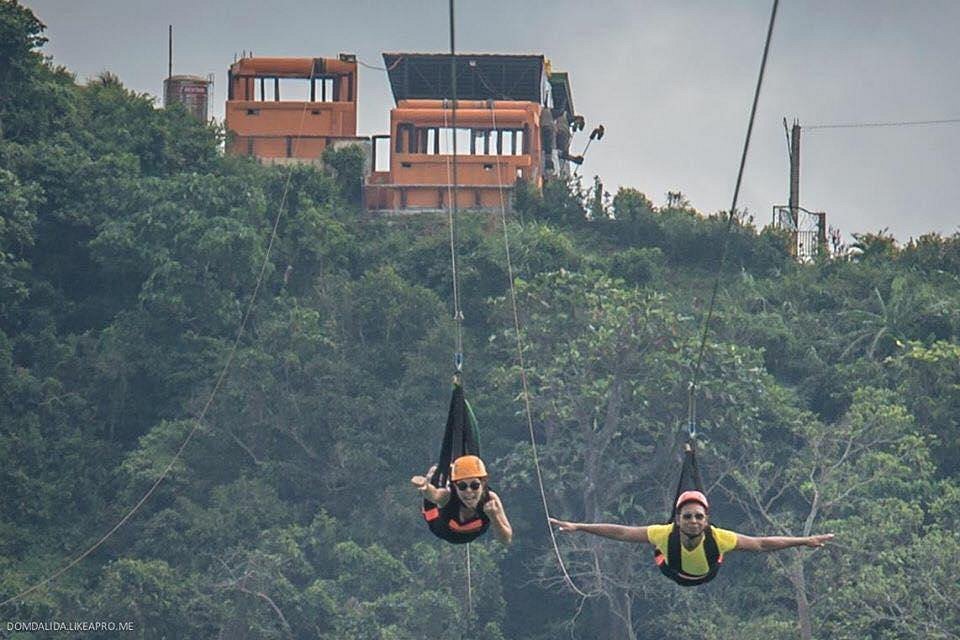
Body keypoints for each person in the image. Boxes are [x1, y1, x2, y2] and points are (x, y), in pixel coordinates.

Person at [549, 490, 833, 584]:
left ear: (706, 519)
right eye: (688, 516)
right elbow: (621, 532)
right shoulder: (664, 532)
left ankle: (713, 557)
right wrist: (579, 526)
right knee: (655, 546)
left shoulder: (718, 537)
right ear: (677, 519)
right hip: (672, 570)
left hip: (708, 572)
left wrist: (803, 541)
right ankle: (661, 552)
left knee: (721, 550)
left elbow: (760, 544)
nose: (694, 521)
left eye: (699, 517)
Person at [411, 455, 513, 545]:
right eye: (462, 486)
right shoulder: (448, 496)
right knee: (435, 478)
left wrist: (494, 517)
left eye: (475, 485)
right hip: (440, 526)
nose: (469, 491)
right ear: (455, 486)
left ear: (483, 483)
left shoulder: (490, 499)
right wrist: (425, 486)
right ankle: (435, 475)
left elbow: (506, 540)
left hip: (473, 532)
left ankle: (448, 470)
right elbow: (434, 495)